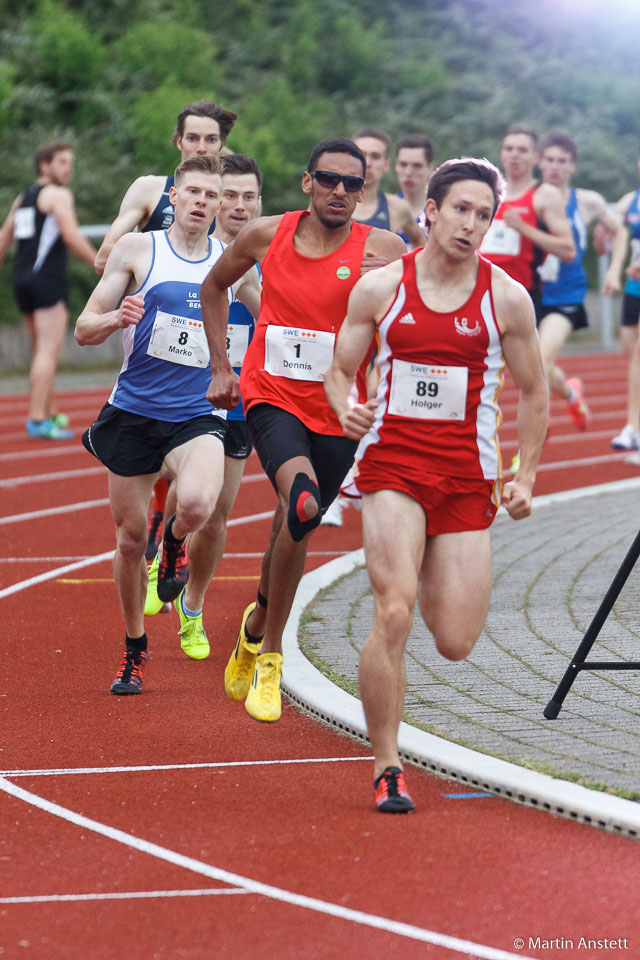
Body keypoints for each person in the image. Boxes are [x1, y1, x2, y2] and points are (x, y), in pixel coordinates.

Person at [324, 157, 548, 813]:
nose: (471, 224)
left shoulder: (505, 298)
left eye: (483, 214)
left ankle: (423, 562)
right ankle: (387, 763)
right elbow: (339, 372)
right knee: (393, 611)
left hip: (466, 477)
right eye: (461, 210)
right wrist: (345, 407)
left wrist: (524, 474)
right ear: (431, 210)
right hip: (392, 464)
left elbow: (535, 394)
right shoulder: (381, 288)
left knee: (454, 640)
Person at [201, 137, 406, 723]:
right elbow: (213, 288)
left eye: (351, 184)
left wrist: (397, 277)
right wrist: (222, 366)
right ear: (307, 182)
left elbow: (428, 296)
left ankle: (256, 618)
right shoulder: (267, 234)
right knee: (305, 504)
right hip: (270, 395)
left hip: (341, 409)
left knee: (295, 521)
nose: (339, 191)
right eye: (328, 179)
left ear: (363, 192)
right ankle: (271, 656)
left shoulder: (385, 248)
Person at [75, 155, 232, 696]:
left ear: (219, 204)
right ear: (172, 197)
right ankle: (135, 648)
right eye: (191, 192)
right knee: (127, 541)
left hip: (195, 414)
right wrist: (116, 317)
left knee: (194, 505)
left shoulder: (231, 262)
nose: (200, 203)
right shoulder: (139, 249)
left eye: (211, 196)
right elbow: (83, 328)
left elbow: (277, 315)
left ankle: (177, 539)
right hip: (135, 412)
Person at [144, 155, 263, 661]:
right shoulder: (181, 254)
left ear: (259, 202)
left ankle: (192, 607)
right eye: (228, 195)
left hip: (238, 400)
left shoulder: (264, 255)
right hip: (182, 395)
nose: (238, 206)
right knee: (189, 494)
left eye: (247, 197)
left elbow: (282, 317)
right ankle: (166, 554)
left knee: (217, 514)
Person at [0, 142, 97, 439]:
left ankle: (49, 412)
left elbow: (4, 237)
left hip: (22, 281)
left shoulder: (23, 197)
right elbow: (70, 235)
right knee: (48, 351)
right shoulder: (58, 195)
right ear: (44, 165)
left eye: (70, 163)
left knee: (41, 351)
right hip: (47, 281)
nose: (68, 168)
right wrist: (102, 263)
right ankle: (38, 418)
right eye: (62, 162)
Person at [537, 130, 626, 431]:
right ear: (539, 162)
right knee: (534, 368)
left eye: (562, 161)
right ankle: (571, 392)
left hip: (567, 296)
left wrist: (613, 269)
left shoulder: (587, 201)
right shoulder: (525, 199)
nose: (555, 166)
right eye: (549, 159)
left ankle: (532, 441)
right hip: (530, 294)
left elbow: (620, 230)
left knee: (539, 362)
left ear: (572, 166)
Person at [94, 100, 237, 275]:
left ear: (221, 145)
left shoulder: (237, 202)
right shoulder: (149, 188)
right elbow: (103, 260)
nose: (201, 148)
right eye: (192, 138)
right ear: (179, 141)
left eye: (211, 140)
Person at [480, 124, 575, 302]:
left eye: (522, 150)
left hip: (521, 296)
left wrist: (523, 228)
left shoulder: (544, 194)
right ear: (501, 154)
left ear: (536, 158)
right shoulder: (486, 193)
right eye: (509, 149)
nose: (514, 155)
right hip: (481, 292)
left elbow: (568, 251)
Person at [608, 155, 640, 450]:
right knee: (631, 356)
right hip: (634, 288)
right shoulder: (629, 201)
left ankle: (632, 427)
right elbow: (613, 227)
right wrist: (602, 233)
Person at [352, 129, 426, 248]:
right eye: (361, 155)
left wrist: (400, 265)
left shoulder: (397, 207)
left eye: (375, 156)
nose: (368, 162)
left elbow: (420, 244)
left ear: (386, 165)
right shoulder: (332, 201)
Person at [394, 133, 434, 242]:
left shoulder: (440, 212)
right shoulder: (385, 209)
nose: (408, 173)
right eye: (403, 164)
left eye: (417, 166)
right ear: (395, 166)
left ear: (430, 168)